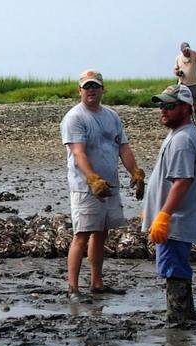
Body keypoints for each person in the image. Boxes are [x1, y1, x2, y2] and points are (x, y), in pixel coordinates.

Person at [60, 70, 146, 302]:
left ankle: (96, 283)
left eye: (95, 86)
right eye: (86, 87)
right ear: (79, 90)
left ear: (102, 89)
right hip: (85, 187)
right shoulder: (75, 117)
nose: (91, 90)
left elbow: (123, 147)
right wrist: (93, 179)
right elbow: (78, 152)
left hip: (110, 185)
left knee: (101, 233)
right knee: (81, 235)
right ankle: (73, 288)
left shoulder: (112, 116)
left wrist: (135, 172)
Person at [141, 85, 196, 324]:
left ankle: (178, 322)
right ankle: (187, 316)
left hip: (175, 222)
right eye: (161, 105)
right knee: (176, 268)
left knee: (174, 269)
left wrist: (164, 215)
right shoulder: (180, 133)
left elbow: (182, 182)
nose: (163, 110)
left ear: (186, 108)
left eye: (169, 106)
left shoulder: (183, 140)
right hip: (173, 219)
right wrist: (152, 208)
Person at [174, 42, 196, 125]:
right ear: (181, 51)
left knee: (195, 103)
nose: (186, 51)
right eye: (184, 50)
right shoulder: (178, 58)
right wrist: (177, 73)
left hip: (194, 83)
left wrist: (191, 51)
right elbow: (175, 69)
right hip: (183, 83)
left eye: (187, 49)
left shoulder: (194, 56)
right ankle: (186, 120)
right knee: (183, 102)